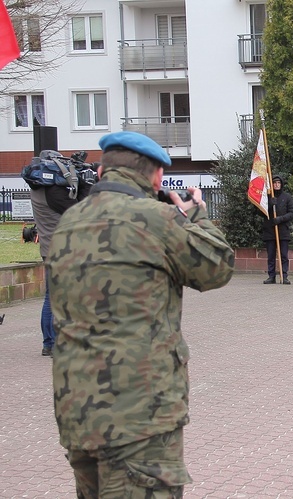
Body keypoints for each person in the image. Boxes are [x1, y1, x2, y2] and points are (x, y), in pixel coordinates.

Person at [46, 131, 235, 497]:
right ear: (157, 177)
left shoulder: (69, 223)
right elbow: (217, 267)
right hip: (139, 418)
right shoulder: (157, 220)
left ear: (102, 172)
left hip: (78, 414)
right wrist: (195, 214)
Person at [22, 151, 97, 357]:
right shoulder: (54, 194)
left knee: (51, 297)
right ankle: (55, 343)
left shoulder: (38, 189)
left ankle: (50, 343)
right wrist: (87, 185)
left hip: (49, 249)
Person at [262, 175, 293, 285]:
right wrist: (270, 205)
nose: (277, 185)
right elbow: (260, 212)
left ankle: (284, 275)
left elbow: (292, 212)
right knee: (271, 255)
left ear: (281, 184)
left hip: (283, 231)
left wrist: (281, 219)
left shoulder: (287, 197)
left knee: (283, 255)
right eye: (275, 183)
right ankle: (271, 276)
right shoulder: (267, 198)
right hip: (270, 230)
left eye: (278, 183)